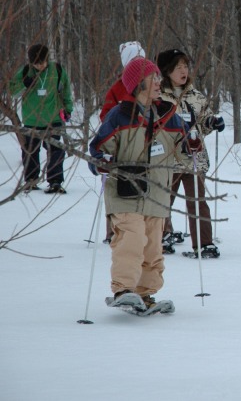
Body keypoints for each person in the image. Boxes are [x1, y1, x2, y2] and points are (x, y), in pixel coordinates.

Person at [88, 57, 201, 310]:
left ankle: (146, 293)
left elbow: (183, 152)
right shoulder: (119, 116)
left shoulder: (169, 115)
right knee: (131, 240)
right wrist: (101, 162)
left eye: (159, 77)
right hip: (125, 191)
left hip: (157, 194)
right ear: (139, 83)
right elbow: (97, 150)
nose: (159, 82)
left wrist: (192, 147)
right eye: (153, 78)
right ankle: (124, 290)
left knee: (152, 248)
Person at [156, 48, 225, 259]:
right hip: (169, 159)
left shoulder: (195, 96)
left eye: (185, 66)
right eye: (178, 67)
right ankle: (161, 236)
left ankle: (204, 244)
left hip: (194, 158)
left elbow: (204, 120)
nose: (184, 71)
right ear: (167, 71)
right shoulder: (158, 96)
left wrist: (212, 122)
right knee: (162, 200)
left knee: (197, 202)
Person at [9, 44, 74, 194]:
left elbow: (66, 91)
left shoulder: (57, 69)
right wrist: (24, 84)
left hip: (54, 118)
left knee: (56, 150)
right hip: (31, 120)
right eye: (37, 63)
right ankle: (31, 181)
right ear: (31, 62)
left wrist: (68, 109)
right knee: (30, 151)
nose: (41, 65)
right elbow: (13, 92)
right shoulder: (25, 72)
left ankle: (55, 181)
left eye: (43, 62)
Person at [101, 41, 146, 244]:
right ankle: (112, 229)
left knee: (148, 186)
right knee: (116, 186)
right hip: (120, 145)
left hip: (143, 145)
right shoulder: (117, 88)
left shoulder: (151, 85)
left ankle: (161, 229)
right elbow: (105, 115)